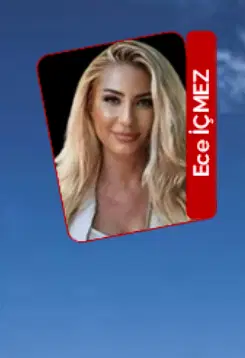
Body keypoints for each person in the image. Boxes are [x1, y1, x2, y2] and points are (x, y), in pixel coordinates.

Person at [55, 39, 187, 242]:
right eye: (112, 100)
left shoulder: (195, 194)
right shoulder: (55, 191)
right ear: (89, 105)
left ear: (164, 110)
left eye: (144, 103)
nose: (127, 119)